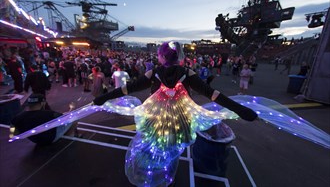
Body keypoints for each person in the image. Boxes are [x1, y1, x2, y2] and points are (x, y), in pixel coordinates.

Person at [92, 41, 258, 187]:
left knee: (155, 149)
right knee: (172, 150)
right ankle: (167, 177)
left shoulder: (154, 73)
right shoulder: (188, 73)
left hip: (156, 120)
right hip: (179, 121)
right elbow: (213, 94)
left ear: (163, 57)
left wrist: (103, 98)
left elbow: (127, 88)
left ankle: (154, 178)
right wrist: (241, 110)